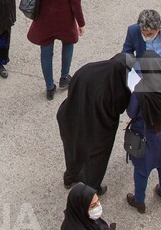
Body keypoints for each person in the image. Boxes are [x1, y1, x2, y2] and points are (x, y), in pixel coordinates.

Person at [57, 54, 133, 193]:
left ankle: (70, 177)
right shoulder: (118, 87)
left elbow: (73, 87)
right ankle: (92, 187)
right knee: (97, 158)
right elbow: (119, 108)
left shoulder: (88, 69)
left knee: (73, 149)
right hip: (98, 128)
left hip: (71, 116)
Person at [26, 0, 85, 100]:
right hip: (65, 19)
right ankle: (65, 77)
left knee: (46, 52)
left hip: (44, 19)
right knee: (68, 44)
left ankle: (49, 87)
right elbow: (75, 2)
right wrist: (81, 23)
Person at [124, 56, 161, 214]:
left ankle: (139, 201)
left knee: (142, 171)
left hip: (144, 136)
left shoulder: (139, 90)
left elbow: (131, 112)